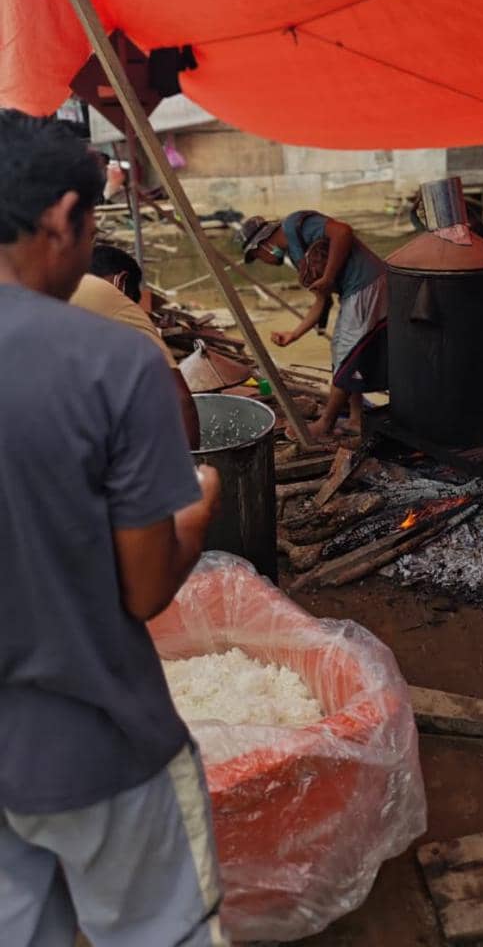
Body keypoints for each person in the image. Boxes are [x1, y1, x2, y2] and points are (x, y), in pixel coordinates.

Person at [0, 111, 228, 947]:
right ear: (63, 217)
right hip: (97, 746)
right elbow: (144, 589)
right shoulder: (112, 361)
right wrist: (197, 515)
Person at [238, 211, 388, 439]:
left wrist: (328, 276)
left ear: (263, 245)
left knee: (347, 355)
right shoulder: (298, 256)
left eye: (258, 256)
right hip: (352, 293)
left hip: (366, 285)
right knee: (342, 353)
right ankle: (356, 419)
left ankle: (325, 424)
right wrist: (294, 335)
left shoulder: (295, 225)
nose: (263, 261)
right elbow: (322, 300)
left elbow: (343, 232)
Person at [71, 243, 200, 449]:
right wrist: (191, 472)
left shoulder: (52, 285)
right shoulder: (110, 297)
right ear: (121, 282)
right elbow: (180, 401)